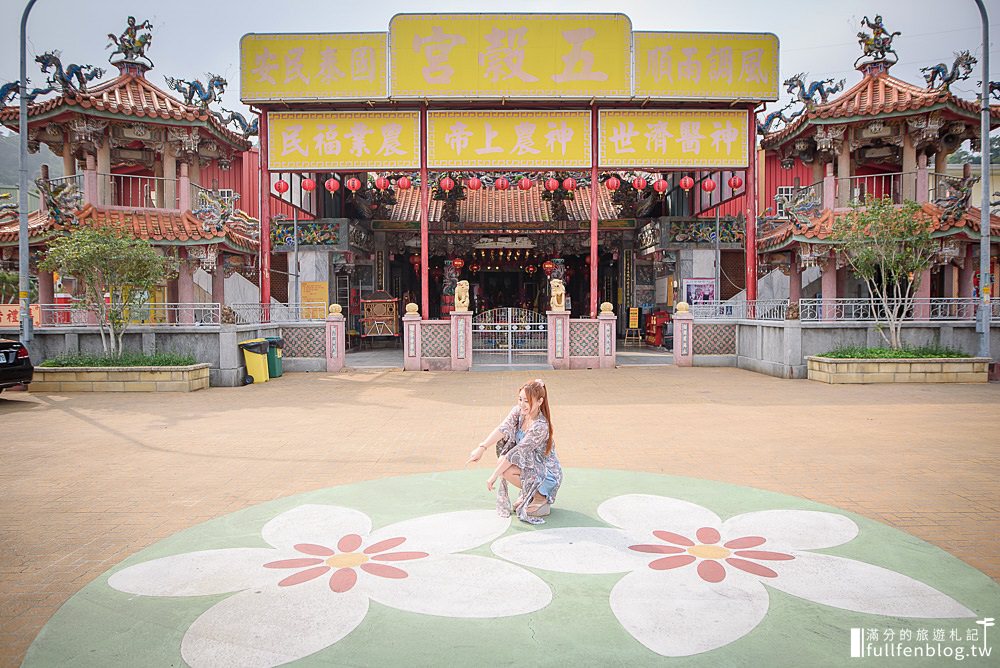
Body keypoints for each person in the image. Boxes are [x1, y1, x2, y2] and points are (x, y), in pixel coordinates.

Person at [466, 379, 562, 525]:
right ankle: (529, 494)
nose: (522, 404)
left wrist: (493, 476)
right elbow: (502, 428)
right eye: (520, 399)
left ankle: (540, 497)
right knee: (503, 463)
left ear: (540, 401)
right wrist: (482, 448)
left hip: (546, 474)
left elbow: (517, 453)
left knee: (506, 470)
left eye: (527, 401)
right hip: (530, 466)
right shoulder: (519, 413)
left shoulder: (540, 426)